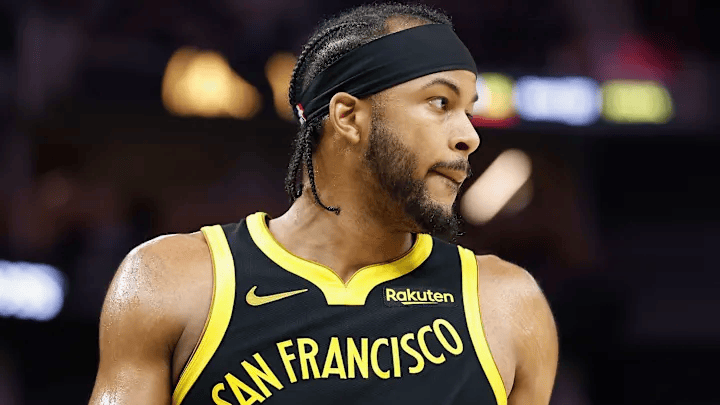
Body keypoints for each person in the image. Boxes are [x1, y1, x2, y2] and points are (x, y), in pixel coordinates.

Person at [89, 3, 558, 404]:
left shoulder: (507, 303)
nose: (470, 137)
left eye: (469, 111)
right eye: (440, 103)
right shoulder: (172, 280)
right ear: (348, 116)